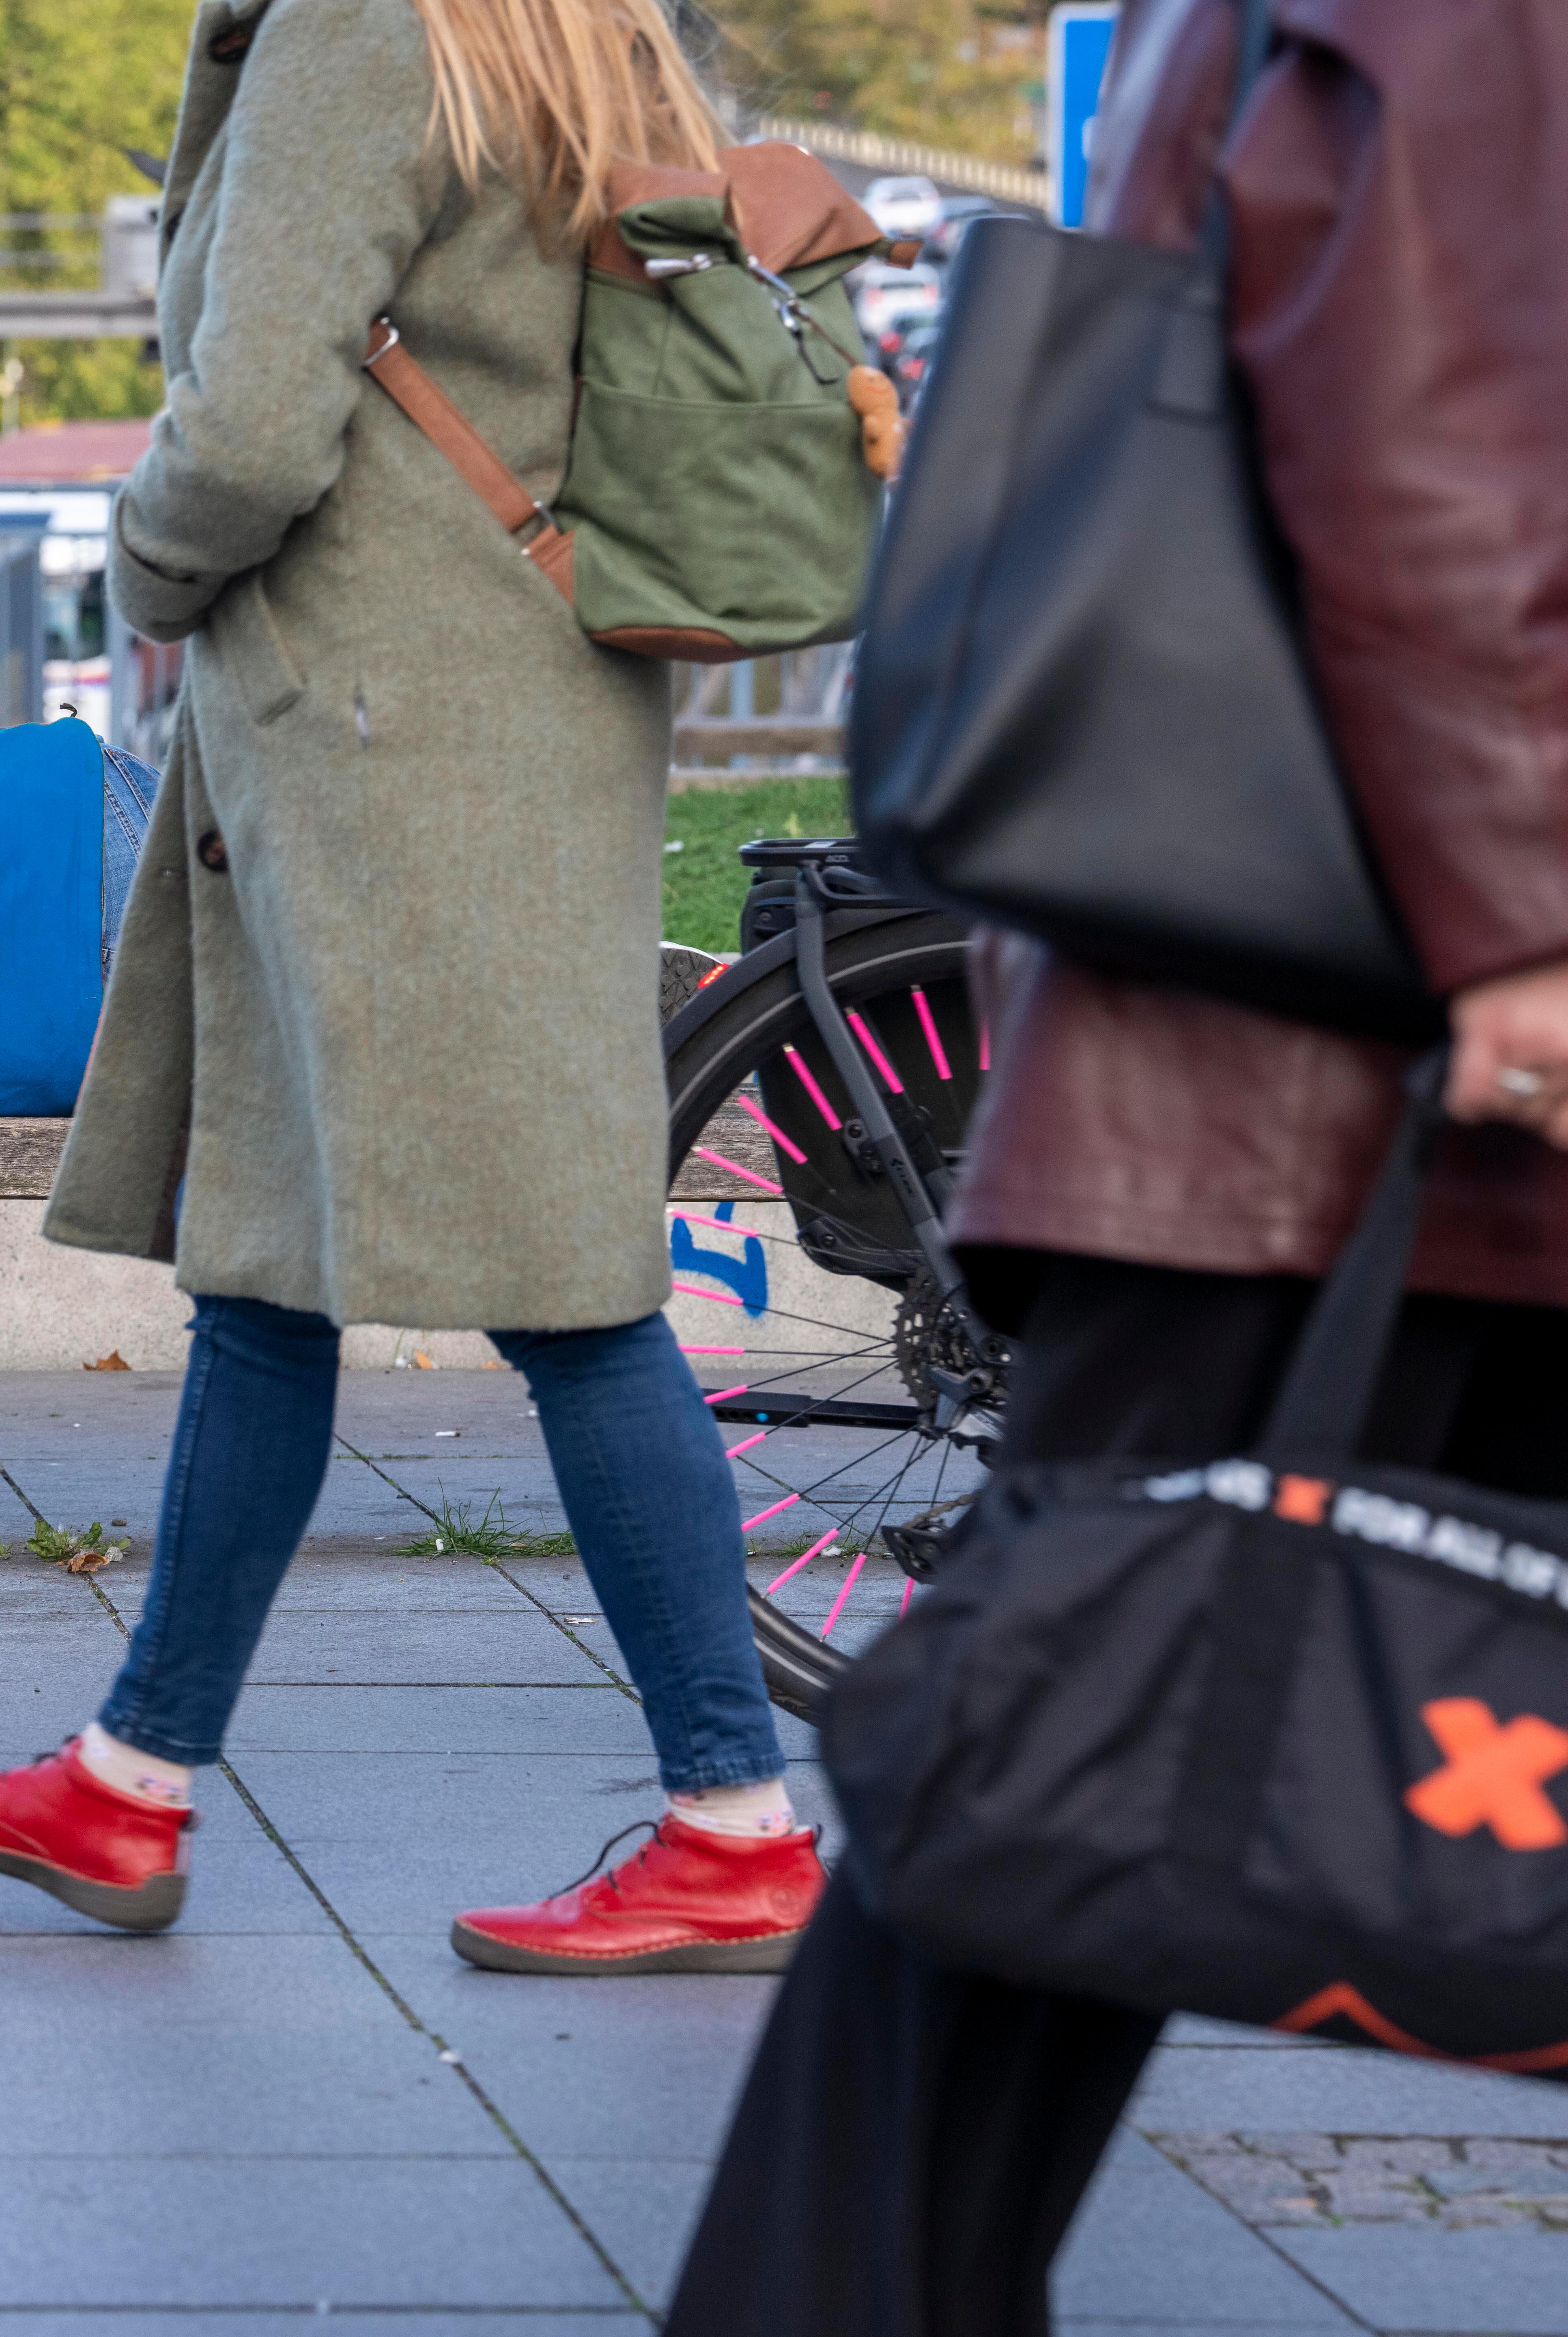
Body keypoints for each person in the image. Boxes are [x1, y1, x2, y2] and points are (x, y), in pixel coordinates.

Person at [664, 0, 1568, 2325]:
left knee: (1053, 1757)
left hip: (1263, 1047)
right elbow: (1433, 440)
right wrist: (1526, 925)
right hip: (1371, 1049)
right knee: (1047, 1764)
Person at [0, 0, 825, 1969]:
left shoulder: (363, 31)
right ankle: (133, 1783)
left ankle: (733, 1818)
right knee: (271, 1261)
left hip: (384, 726)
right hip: (531, 692)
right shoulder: (584, 30)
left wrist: (141, 574)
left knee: (569, 1289)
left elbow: (250, 423)